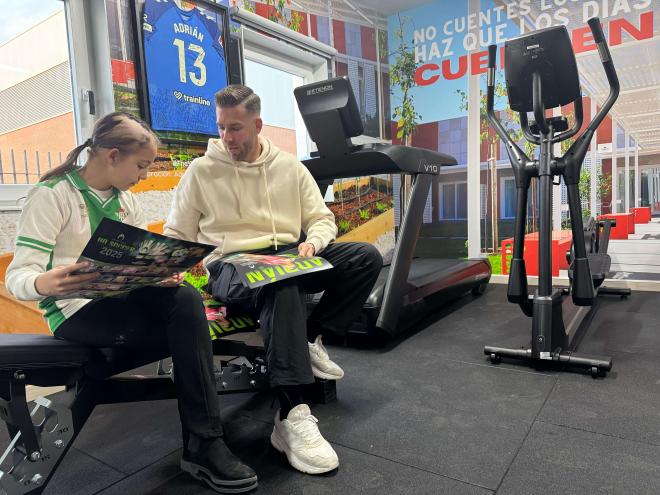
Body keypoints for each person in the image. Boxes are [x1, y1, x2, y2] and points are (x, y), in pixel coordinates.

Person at [5, 112, 258, 494]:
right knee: (188, 321)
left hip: (120, 302)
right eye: (141, 165)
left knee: (185, 297)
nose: (143, 175)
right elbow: (17, 278)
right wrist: (45, 281)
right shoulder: (52, 196)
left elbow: (136, 261)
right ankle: (203, 442)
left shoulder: (127, 204)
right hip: (75, 313)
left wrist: (161, 273)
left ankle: (203, 441)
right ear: (111, 155)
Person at [164, 85, 383, 475]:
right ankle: (291, 413)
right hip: (231, 267)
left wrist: (313, 244)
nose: (227, 138)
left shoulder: (289, 167)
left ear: (257, 124)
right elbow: (176, 232)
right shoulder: (201, 171)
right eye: (221, 128)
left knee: (363, 258)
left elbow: (322, 220)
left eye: (236, 128)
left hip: (288, 255)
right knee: (280, 283)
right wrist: (169, 266)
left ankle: (310, 337)